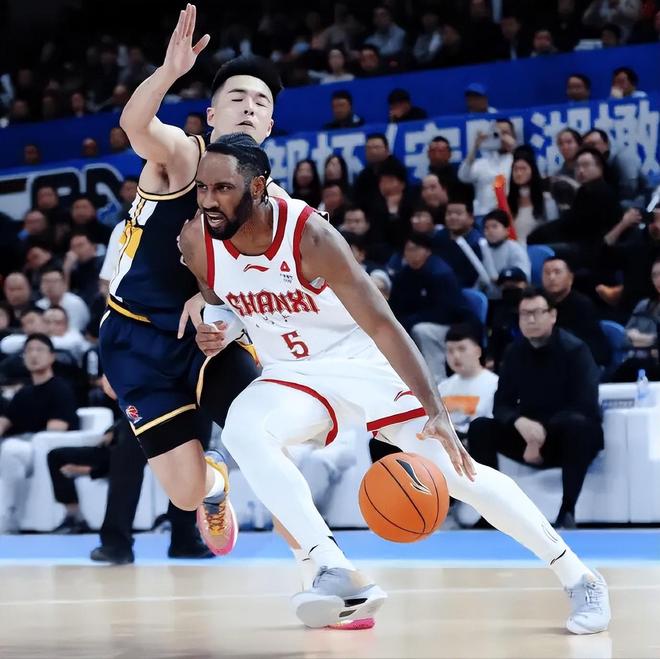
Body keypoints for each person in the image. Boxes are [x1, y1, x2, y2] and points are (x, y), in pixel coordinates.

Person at [179, 133, 610, 633]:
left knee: (457, 474)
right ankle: (332, 568)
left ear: (257, 187)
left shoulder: (311, 237)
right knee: (243, 429)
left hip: (361, 361)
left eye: (223, 188)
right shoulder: (196, 240)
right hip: (290, 373)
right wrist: (221, 328)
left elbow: (384, 326)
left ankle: (579, 577)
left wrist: (436, 411)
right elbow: (225, 301)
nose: (209, 200)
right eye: (202, 188)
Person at [100, 5, 271, 559]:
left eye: (262, 102)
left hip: (206, 340)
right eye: (238, 97)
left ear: (270, 127)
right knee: (186, 492)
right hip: (135, 336)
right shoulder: (182, 155)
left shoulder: (269, 200)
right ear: (212, 114)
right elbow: (135, 126)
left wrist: (218, 307)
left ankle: (323, 566)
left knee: (265, 435)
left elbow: (259, 281)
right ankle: (214, 485)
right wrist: (169, 72)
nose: (250, 106)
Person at [468, 288, 604, 531]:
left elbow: (586, 405)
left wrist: (541, 432)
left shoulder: (575, 350)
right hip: (527, 433)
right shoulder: (514, 352)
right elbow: (501, 405)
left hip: (567, 436)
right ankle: (492, 512)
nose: (530, 319)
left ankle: (567, 511)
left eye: (537, 312)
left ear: (552, 315)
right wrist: (519, 422)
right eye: (524, 314)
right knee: (480, 428)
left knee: (579, 428)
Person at [0, 333, 79, 533]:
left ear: (52, 356)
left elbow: (57, 428)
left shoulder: (60, 389)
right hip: (20, 446)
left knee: (10, 451)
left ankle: (7, 517)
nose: (33, 355)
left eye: (39, 350)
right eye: (29, 351)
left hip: (42, 448)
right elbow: (5, 421)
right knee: (9, 450)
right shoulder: (23, 393)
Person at [389, 232, 473, 384]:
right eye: (408, 250)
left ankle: (437, 381)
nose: (411, 253)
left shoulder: (440, 273)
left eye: (415, 249)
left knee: (422, 331)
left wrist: (410, 321)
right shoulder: (404, 275)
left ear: (427, 251)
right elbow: (395, 306)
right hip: (416, 321)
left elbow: (447, 312)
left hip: (451, 325)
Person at [542, 257, 612, 368]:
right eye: (547, 273)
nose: (551, 277)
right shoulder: (539, 303)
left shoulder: (582, 305)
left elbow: (595, 349)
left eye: (557, 272)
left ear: (570, 278)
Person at [439, 323, 498, 437]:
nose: (456, 356)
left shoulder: (495, 385)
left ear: (478, 351)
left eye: (462, 349)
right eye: (450, 351)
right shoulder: (442, 388)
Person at [458, 118, 516, 218]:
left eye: (505, 133)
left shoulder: (517, 160)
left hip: (509, 214)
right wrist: (475, 147)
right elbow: (463, 176)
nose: (501, 137)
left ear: (513, 136)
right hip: (483, 215)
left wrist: (514, 147)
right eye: (497, 133)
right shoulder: (482, 162)